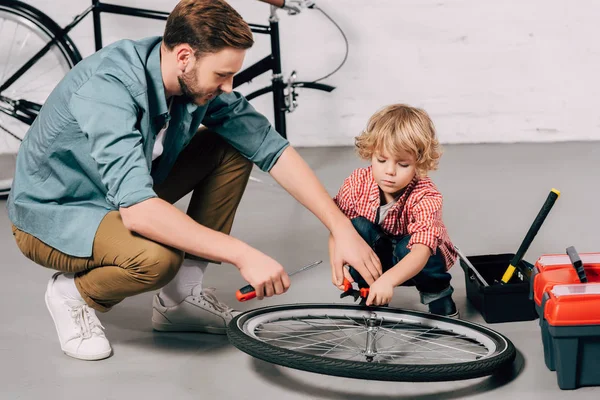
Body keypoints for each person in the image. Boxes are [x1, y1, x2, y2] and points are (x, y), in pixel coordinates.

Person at [7, 0, 381, 361]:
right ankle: (72, 293)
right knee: (156, 259)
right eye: (222, 75)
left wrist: (340, 227)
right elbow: (138, 212)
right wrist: (242, 253)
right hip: (59, 212)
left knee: (233, 146)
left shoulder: (192, 81)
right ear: (184, 56)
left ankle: (180, 300)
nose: (229, 87)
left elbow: (269, 146)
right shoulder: (110, 87)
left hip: (123, 192)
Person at [330, 104, 459, 316]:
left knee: (415, 247)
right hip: (376, 257)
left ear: (419, 162)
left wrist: (388, 280)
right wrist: (338, 263)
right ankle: (370, 294)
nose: (389, 171)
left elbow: (421, 251)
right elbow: (337, 227)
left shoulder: (427, 195)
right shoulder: (356, 182)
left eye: (403, 164)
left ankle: (439, 296)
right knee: (355, 226)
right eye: (381, 160)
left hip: (415, 260)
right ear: (371, 154)